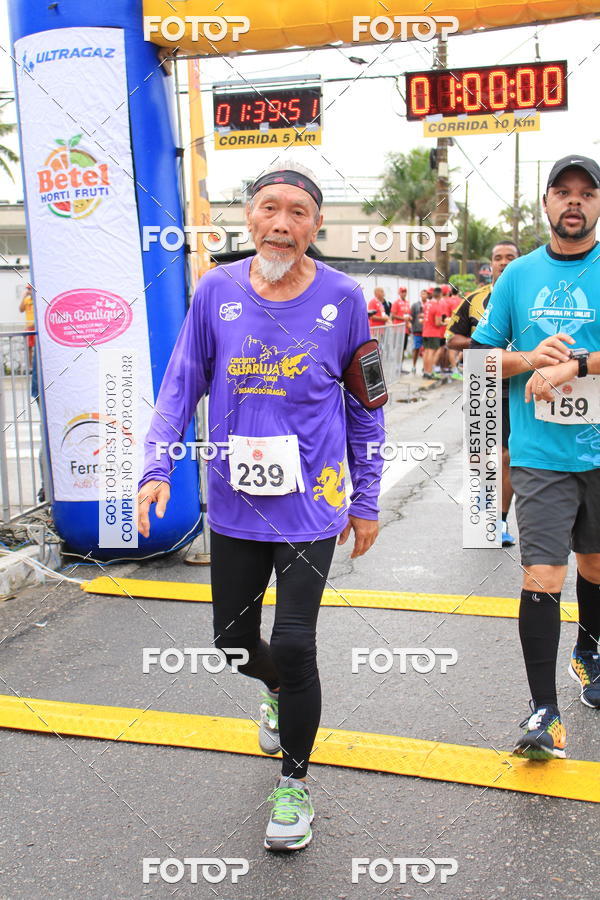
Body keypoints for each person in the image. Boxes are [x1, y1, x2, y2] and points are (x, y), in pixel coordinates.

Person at [137, 160, 384, 849]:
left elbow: (368, 410)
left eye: (298, 213)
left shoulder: (345, 298)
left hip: (312, 504)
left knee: (297, 643)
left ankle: (294, 785)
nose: (282, 224)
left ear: (315, 225)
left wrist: (365, 499)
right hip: (237, 503)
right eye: (269, 209)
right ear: (248, 218)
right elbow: (181, 386)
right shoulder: (215, 290)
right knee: (232, 642)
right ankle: (274, 691)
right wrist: (157, 465)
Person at [471, 154, 600, 760]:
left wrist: (573, 365)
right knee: (542, 574)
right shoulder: (517, 276)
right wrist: (529, 359)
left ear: (597, 205)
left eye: (586, 193)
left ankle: (590, 646)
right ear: (546, 205)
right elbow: (479, 363)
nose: (574, 202)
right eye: (563, 192)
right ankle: (543, 711)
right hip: (539, 454)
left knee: (596, 567)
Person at [446, 241, 520, 543]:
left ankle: (499, 521)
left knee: (507, 455)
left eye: (510, 258)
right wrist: (482, 343)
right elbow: (452, 338)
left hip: (516, 383)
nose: (503, 263)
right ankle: (483, 511)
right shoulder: (474, 299)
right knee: (483, 456)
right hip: (481, 381)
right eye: (498, 258)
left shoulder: (525, 297)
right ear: (491, 263)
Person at [422, 286, 445, 379]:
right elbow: (437, 323)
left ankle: (425, 372)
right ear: (440, 295)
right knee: (431, 352)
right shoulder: (437, 306)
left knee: (426, 352)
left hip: (425, 331)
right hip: (433, 332)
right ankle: (429, 372)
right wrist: (444, 323)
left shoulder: (427, 304)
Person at [390, 285, 411, 365]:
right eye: (402, 292)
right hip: (398, 329)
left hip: (406, 329)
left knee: (403, 348)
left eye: (405, 292)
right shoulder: (396, 302)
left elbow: (408, 314)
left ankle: (400, 366)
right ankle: (396, 365)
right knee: (398, 347)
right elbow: (393, 315)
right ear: (399, 293)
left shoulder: (407, 302)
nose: (404, 293)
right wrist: (403, 318)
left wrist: (409, 318)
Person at [409, 289, 426, 374]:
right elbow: (411, 317)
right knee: (416, 348)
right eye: (422, 294)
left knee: (426, 349)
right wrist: (412, 326)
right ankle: (414, 366)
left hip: (427, 331)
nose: (424, 295)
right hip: (417, 330)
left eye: (425, 294)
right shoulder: (415, 305)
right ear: (420, 295)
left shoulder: (429, 305)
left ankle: (425, 367)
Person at [19, 283, 35, 367]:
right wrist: (23, 297)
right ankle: (30, 366)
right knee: (29, 347)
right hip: (29, 327)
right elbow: (21, 310)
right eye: (27, 289)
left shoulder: (37, 300)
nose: (28, 291)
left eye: (29, 289)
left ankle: (37, 365)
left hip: (36, 327)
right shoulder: (27, 300)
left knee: (37, 347)